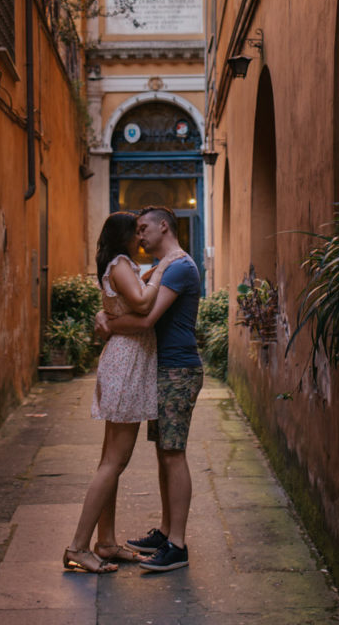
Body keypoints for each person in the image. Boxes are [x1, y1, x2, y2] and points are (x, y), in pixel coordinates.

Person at [63, 211, 182, 573]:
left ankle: (106, 542)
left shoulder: (124, 265)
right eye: (138, 230)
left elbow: (129, 298)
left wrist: (109, 315)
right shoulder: (121, 264)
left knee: (109, 461)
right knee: (115, 462)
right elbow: (144, 304)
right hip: (127, 363)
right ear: (125, 235)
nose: (142, 236)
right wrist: (165, 267)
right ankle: (78, 546)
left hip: (125, 360)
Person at [95, 205, 203, 574]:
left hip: (178, 369)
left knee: (174, 454)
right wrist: (106, 314)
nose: (138, 236)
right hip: (165, 369)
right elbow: (129, 294)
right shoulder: (164, 266)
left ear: (163, 227)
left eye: (143, 229)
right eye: (136, 230)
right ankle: (167, 531)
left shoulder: (180, 267)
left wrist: (109, 323)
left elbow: (147, 318)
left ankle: (178, 545)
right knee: (164, 453)